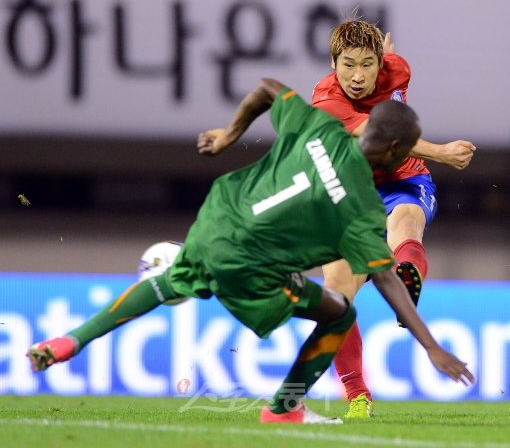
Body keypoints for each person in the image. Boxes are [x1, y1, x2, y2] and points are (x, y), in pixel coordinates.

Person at [27, 78, 474, 424]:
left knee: (169, 282)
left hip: (218, 217)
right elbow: (387, 278)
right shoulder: (360, 208)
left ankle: (70, 340)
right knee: (339, 314)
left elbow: (266, 88)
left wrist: (229, 135)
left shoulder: (319, 126)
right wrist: (432, 347)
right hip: (253, 266)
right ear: (395, 151)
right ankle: (285, 408)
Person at [310, 20, 477, 418]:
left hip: (404, 180)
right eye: (348, 64)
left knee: (405, 221)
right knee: (336, 296)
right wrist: (443, 152)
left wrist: (385, 64)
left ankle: (406, 281)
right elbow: (380, 135)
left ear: (381, 62)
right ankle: (358, 396)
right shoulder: (325, 100)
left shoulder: (397, 68)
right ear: (333, 63)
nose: (357, 76)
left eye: (367, 64)